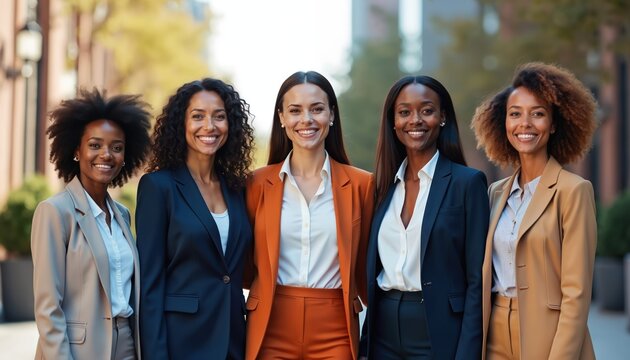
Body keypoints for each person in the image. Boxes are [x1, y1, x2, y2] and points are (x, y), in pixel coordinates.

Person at [244, 70, 374, 360]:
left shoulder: (362, 185)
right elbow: (245, 261)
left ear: (331, 115)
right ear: (281, 118)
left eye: (317, 109)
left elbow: (366, 261)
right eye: (295, 110)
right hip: (270, 323)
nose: (307, 120)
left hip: (336, 327)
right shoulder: (255, 184)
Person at [471, 62, 598, 359]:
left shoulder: (574, 191)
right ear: (503, 123)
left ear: (553, 124)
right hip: (495, 333)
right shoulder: (496, 192)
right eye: (515, 114)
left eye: (537, 114)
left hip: (549, 334)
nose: (524, 123)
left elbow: (576, 295)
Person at [359, 75, 489, 359]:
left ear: (442, 117)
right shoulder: (382, 187)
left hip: (438, 329)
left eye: (427, 110)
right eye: (404, 112)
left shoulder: (467, 183)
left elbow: (478, 281)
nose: (415, 120)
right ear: (393, 122)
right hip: (383, 331)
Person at [135, 78, 254, 360]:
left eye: (219, 116)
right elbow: (149, 286)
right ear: (181, 124)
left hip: (233, 341)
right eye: (197, 116)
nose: (209, 126)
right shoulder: (158, 187)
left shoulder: (236, 189)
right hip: (181, 342)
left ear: (231, 125)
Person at [31, 88, 151, 359]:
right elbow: (48, 308)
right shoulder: (54, 212)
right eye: (95, 145)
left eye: (116, 147)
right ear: (76, 150)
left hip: (128, 345)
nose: (106, 155)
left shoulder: (122, 214)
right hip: (78, 349)